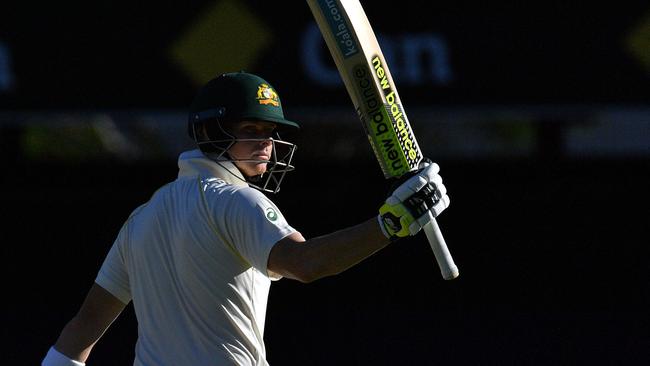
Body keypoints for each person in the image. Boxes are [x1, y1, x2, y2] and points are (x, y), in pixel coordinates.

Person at [42, 71, 450, 366]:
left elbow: (80, 333)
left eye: (270, 133)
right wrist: (394, 221)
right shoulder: (237, 201)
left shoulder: (140, 220)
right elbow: (307, 264)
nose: (267, 144)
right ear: (211, 131)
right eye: (251, 129)